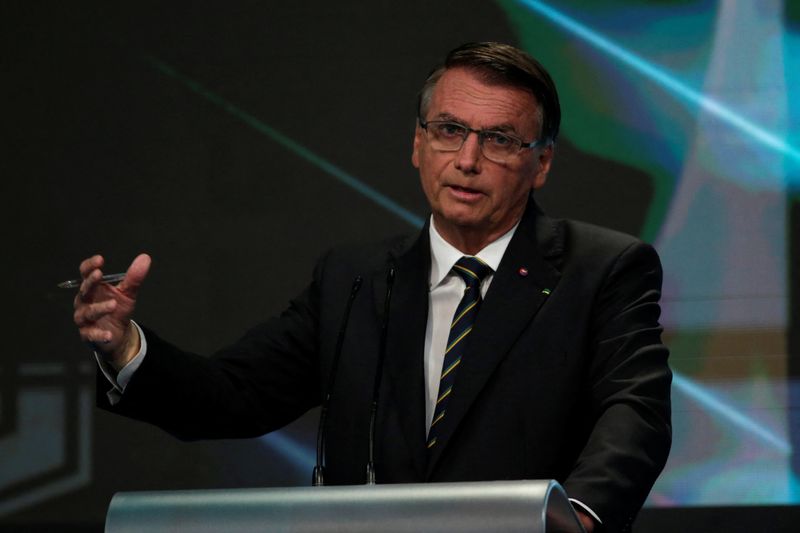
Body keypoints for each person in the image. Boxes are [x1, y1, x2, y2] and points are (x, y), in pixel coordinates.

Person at [72, 42, 671, 533]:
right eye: (449, 129)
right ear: (418, 144)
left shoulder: (601, 269)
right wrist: (125, 348)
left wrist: (576, 520)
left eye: (499, 139)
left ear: (540, 164)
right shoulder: (352, 280)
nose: (467, 159)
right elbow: (234, 393)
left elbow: (635, 412)